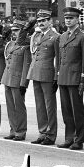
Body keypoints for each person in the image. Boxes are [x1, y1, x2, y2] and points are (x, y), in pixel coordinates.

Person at [27, 9, 59, 146]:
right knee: (40, 105)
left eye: (44, 20)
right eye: (39, 21)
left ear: (50, 21)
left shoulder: (56, 36)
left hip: (48, 75)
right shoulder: (37, 35)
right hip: (36, 73)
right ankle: (42, 132)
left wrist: (56, 77)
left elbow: (58, 59)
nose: (41, 23)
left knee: (49, 106)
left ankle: (51, 135)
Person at [56, 7, 84, 150]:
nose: (68, 20)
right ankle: (69, 138)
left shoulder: (83, 37)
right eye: (66, 18)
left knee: (77, 111)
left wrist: (83, 79)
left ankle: (78, 140)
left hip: (75, 78)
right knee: (66, 110)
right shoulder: (62, 37)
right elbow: (59, 58)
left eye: (71, 18)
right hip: (63, 77)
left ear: (77, 20)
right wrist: (57, 75)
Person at [1, 19, 31, 141]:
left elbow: (26, 65)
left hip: (18, 80)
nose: (14, 33)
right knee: (10, 106)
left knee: (19, 107)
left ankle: (21, 131)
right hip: (7, 78)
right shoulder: (9, 44)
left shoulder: (26, 45)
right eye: (12, 30)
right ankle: (13, 129)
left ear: (22, 31)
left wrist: (24, 83)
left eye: (17, 30)